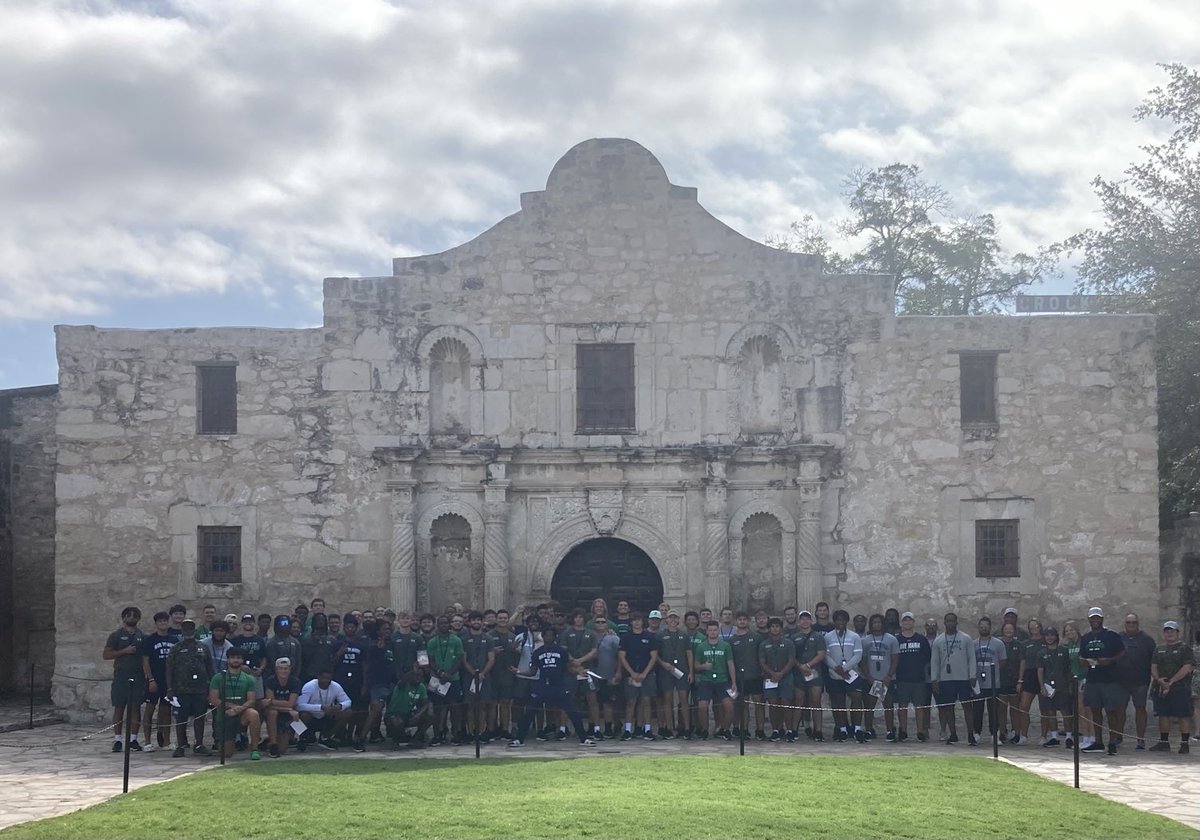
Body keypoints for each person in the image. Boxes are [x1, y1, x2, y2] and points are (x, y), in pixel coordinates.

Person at [507, 627, 597, 748]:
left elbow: (568, 668)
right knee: (529, 712)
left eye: (551, 635)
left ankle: (584, 738)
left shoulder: (561, 651)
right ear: (543, 637)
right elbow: (533, 671)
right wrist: (519, 671)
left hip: (559, 685)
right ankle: (519, 740)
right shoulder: (538, 652)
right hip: (542, 685)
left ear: (555, 637)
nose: (549, 638)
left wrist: (578, 672)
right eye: (546, 635)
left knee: (573, 712)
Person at [1079, 607, 1126, 754]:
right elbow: (1081, 656)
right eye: (1093, 618)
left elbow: (1123, 652)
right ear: (1089, 619)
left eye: (1098, 618)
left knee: (1111, 711)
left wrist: (1110, 660)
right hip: (1093, 678)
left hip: (1109, 678)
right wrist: (1084, 661)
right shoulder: (1086, 637)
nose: (1095, 620)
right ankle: (1098, 741)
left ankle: (1112, 741)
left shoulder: (1111, 635)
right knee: (1095, 710)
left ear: (1102, 619)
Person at [166, 617, 214, 758]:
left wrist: (212, 687)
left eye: (190, 628)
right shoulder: (176, 648)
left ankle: (199, 744)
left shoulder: (203, 647)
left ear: (194, 630)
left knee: (200, 717)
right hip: (181, 690)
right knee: (181, 718)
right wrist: (169, 689)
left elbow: (210, 668)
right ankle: (181, 745)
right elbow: (169, 669)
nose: (188, 630)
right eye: (185, 628)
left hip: (200, 689)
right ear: (182, 630)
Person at [103, 606, 145, 753]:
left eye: (135, 616)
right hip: (121, 676)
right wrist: (124, 651)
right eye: (129, 616)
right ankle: (117, 739)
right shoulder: (116, 635)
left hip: (138, 676)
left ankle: (133, 739)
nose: (132, 618)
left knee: (135, 708)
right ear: (124, 618)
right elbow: (106, 655)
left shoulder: (142, 636)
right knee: (119, 707)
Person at [930, 612, 976, 745]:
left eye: (952, 621)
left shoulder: (966, 638)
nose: (950, 623)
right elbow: (935, 661)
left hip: (963, 679)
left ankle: (970, 734)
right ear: (944, 623)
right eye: (948, 621)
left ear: (956, 622)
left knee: (967, 706)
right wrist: (935, 679)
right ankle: (953, 733)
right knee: (948, 707)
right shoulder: (938, 640)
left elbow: (971, 658)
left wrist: (972, 675)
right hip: (946, 679)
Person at [1148, 621, 1194, 754]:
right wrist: (1158, 680)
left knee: (1182, 715)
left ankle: (1184, 744)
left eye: (1172, 631)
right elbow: (1153, 666)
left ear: (1177, 633)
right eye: (1167, 631)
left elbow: (1187, 667)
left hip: (1180, 687)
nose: (1169, 634)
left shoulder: (1184, 648)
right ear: (1163, 633)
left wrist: (1172, 681)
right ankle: (1164, 742)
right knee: (1163, 714)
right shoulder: (1159, 649)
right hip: (1161, 687)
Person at [208, 647, 261, 760]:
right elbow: (214, 700)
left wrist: (238, 709)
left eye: (238, 658)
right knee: (227, 753)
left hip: (242, 713)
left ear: (242, 660)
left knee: (254, 714)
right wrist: (232, 707)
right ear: (228, 660)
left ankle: (255, 749)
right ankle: (229, 740)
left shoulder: (248, 678)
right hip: (225, 714)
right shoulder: (218, 677)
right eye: (232, 658)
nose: (235, 660)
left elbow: (252, 700)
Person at [1116, 613, 1157, 750]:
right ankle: (1118, 735)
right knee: (1120, 709)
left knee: (1140, 708)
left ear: (1138, 623)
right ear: (1125, 624)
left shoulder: (1147, 640)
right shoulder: (1118, 638)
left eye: (1133, 622)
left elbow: (1154, 660)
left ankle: (1140, 739)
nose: (1131, 625)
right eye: (1128, 622)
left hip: (1141, 681)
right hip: (1121, 681)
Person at [824, 609, 865, 743]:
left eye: (843, 620)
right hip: (835, 674)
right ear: (834, 621)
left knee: (857, 699)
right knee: (838, 701)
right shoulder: (828, 637)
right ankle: (842, 729)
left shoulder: (854, 636)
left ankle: (857, 728)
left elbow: (858, 654)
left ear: (847, 621)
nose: (840, 622)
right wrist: (837, 668)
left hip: (851, 674)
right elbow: (826, 655)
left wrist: (846, 668)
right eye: (838, 620)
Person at [140, 611, 178, 752]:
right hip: (154, 679)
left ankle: (167, 741)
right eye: (160, 621)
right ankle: (148, 742)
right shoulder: (150, 640)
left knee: (166, 711)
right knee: (150, 710)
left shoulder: (174, 640)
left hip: (168, 681)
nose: (163, 623)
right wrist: (150, 679)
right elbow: (145, 661)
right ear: (156, 623)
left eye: (165, 621)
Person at [618, 614, 659, 740]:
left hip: (647, 674)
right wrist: (632, 673)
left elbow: (653, 656)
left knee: (646, 701)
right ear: (631, 623)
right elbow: (622, 656)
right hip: (631, 674)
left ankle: (647, 729)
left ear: (643, 622)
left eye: (639, 620)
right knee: (631, 702)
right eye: (634, 620)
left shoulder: (650, 637)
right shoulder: (626, 638)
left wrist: (644, 673)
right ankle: (628, 729)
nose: (636, 623)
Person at [693, 621, 736, 740]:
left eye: (715, 630)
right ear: (707, 631)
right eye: (710, 630)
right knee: (702, 706)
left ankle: (725, 729)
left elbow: (730, 664)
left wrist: (734, 682)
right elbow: (696, 665)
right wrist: (703, 666)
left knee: (730, 707)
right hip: (706, 681)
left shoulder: (725, 646)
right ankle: (705, 729)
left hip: (722, 681)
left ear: (718, 631)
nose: (712, 632)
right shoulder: (701, 646)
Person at [427, 614, 466, 745]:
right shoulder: (432, 641)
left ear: (449, 625)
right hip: (436, 679)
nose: (444, 625)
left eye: (446, 623)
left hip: (453, 678)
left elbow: (460, 658)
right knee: (437, 709)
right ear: (437, 626)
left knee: (455, 707)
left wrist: (449, 673)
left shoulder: (456, 640)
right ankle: (438, 734)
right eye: (441, 623)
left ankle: (456, 734)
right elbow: (430, 660)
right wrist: (439, 672)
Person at [562, 610, 600, 739]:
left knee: (592, 700)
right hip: (570, 671)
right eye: (576, 617)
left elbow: (594, 651)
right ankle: (563, 728)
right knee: (567, 699)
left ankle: (595, 728)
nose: (578, 620)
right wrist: (574, 663)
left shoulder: (591, 634)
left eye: (580, 617)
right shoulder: (566, 633)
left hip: (587, 670)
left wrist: (580, 661)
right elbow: (564, 651)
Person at [893, 611, 930, 742]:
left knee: (919, 706)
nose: (907, 622)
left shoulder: (921, 639)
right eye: (905, 620)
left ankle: (920, 731)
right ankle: (903, 731)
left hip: (918, 678)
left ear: (913, 622)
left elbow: (927, 657)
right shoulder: (896, 640)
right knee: (902, 706)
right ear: (901, 623)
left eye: (910, 620)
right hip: (902, 678)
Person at [861, 613, 898, 741]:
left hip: (886, 679)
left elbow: (895, 660)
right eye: (874, 622)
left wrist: (889, 676)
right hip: (872, 679)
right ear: (870, 625)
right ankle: (869, 730)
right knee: (869, 706)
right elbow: (863, 661)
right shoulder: (865, 640)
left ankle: (889, 731)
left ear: (883, 624)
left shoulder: (891, 639)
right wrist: (869, 677)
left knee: (888, 705)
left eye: (879, 622)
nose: (877, 624)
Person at [332, 615, 368, 748]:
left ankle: (352, 734)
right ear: (344, 628)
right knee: (341, 707)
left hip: (356, 680)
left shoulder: (361, 646)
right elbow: (332, 664)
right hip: (341, 681)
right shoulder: (337, 644)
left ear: (356, 628)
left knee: (355, 708)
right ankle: (340, 734)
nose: (350, 629)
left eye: (352, 627)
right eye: (347, 627)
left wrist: (365, 684)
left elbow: (365, 665)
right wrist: (339, 653)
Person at [758, 617, 797, 741]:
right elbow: (762, 662)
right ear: (769, 629)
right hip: (770, 678)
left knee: (786, 703)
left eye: (777, 626)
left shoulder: (788, 642)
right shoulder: (764, 644)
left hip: (786, 677)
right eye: (772, 627)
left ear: (781, 628)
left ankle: (790, 730)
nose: (775, 629)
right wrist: (772, 673)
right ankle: (776, 730)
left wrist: (781, 673)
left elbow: (791, 660)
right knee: (773, 704)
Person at [296, 667, 353, 750]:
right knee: (300, 715)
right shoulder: (309, 686)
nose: (325, 681)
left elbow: (348, 701)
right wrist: (320, 707)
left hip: (326, 717)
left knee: (348, 712)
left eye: (328, 678)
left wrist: (340, 706)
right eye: (323, 678)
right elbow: (299, 705)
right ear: (318, 677)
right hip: (311, 717)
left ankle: (325, 737)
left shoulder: (336, 686)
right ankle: (303, 737)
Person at [1035, 627, 1074, 747]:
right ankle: (1053, 737)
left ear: (1056, 636)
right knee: (1050, 712)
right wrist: (1042, 686)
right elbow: (1040, 670)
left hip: (1062, 686)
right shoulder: (1041, 653)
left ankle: (1069, 737)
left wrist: (1069, 684)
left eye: (1052, 635)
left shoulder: (1064, 650)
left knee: (1065, 712)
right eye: (1047, 635)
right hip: (1048, 686)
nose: (1050, 637)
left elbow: (1069, 669)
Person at [656, 609, 692, 739]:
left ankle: (687, 728)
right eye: (670, 618)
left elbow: (689, 655)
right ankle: (669, 728)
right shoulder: (660, 635)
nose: (672, 620)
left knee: (683, 700)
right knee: (667, 699)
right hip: (666, 671)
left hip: (682, 671)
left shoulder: (684, 635)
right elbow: (656, 655)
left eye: (675, 618)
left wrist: (691, 672)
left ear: (678, 620)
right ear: (666, 620)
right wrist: (663, 664)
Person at [792, 609, 827, 740]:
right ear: (799, 621)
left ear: (811, 620)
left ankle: (818, 731)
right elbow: (791, 656)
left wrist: (808, 665)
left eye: (807, 619)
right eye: (802, 619)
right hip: (799, 673)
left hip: (815, 672)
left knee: (816, 702)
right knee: (798, 702)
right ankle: (793, 730)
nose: (805, 621)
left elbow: (821, 654)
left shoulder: (818, 636)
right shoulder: (794, 637)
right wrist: (800, 666)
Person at [729, 611, 765, 739]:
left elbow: (761, 656)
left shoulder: (756, 637)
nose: (742, 621)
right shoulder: (732, 640)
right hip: (740, 677)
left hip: (755, 675)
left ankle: (760, 729)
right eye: (740, 619)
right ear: (736, 622)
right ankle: (744, 729)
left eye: (745, 619)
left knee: (758, 703)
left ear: (748, 621)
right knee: (743, 705)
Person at [972, 617, 1007, 744]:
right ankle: (976, 733)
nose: (983, 628)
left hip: (993, 682)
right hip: (978, 683)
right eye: (981, 626)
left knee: (994, 710)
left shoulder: (998, 643)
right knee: (977, 709)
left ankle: (994, 734)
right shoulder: (974, 643)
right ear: (978, 627)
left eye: (986, 626)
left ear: (990, 627)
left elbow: (1003, 661)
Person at [462, 611, 497, 740]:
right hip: (469, 676)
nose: (476, 622)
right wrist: (473, 673)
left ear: (482, 622)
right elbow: (464, 660)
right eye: (473, 620)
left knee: (482, 705)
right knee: (470, 706)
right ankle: (471, 732)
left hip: (484, 677)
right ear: (469, 622)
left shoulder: (488, 638)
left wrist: (482, 674)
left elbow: (491, 659)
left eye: (478, 619)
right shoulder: (464, 639)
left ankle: (481, 733)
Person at [1012, 619, 1044, 746]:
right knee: (1024, 707)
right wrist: (1020, 679)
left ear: (1039, 627)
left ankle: (1044, 736)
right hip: (1029, 674)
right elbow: (1023, 662)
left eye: (1035, 626)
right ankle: (1023, 735)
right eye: (1031, 627)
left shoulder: (1045, 641)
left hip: (1043, 674)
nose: (1033, 629)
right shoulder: (1025, 644)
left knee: (1045, 708)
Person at [260, 657, 301, 757]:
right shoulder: (270, 681)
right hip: (274, 712)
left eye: (286, 668)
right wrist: (288, 708)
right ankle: (273, 744)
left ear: (290, 669)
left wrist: (272, 701)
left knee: (282, 749)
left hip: (287, 713)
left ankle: (269, 741)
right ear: (276, 669)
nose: (283, 671)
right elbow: (270, 705)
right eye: (281, 668)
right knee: (272, 712)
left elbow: (290, 703)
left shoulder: (295, 681)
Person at [591, 616, 622, 738]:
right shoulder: (590, 637)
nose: (600, 624)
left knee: (608, 703)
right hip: (593, 674)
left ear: (607, 624)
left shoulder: (613, 638)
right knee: (593, 702)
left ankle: (609, 727)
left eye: (602, 622)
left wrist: (618, 671)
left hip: (608, 675)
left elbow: (620, 656)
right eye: (597, 622)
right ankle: (594, 727)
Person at [387, 668, 432, 748]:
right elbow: (403, 678)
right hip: (395, 713)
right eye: (416, 675)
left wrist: (418, 714)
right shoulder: (403, 684)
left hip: (409, 714)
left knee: (429, 717)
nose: (418, 678)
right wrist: (412, 670)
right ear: (411, 676)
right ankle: (396, 741)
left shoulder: (421, 687)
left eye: (421, 676)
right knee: (397, 722)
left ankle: (414, 740)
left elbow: (426, 703)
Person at [264, 615, 303, 680]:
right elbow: (271, 661)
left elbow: (298, 661)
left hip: (293, 677)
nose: (284, 625)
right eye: (282, 623)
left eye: (286, 623)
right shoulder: (271, 642)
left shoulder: (296, 642)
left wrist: (295, 675)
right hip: (275, 678)